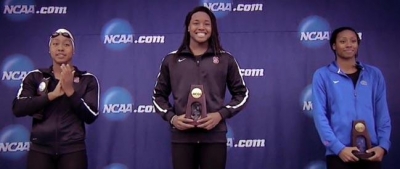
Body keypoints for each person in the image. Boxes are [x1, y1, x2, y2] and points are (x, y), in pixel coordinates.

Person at [152, 6, 249, 169]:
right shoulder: (171, 60)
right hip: (182, 138)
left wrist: (220, 115)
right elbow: (158, 96)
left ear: (213, 29)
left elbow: (242, 94)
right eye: (196, 23)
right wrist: (173, 118)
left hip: (214, 137)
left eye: (207, 24)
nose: (201, 27)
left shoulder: (225, 59)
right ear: (188, 27)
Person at [12, 28, 100, 169]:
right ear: (49, 49)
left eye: (66, 44)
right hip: (40, 149)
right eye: (55, 44)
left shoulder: (87, 80)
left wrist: (70, 91)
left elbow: (91, 116)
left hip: (73, 150)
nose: (60, 48)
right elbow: (18, 108)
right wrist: (51, 96)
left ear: (73, 50)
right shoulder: (35, 77)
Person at [312, 26, 391, 169]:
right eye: (343, 41)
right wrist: (338, 148)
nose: (349, 45)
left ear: (358, 45)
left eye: (353, 41)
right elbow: (319, 116)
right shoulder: (322, 75)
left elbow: (382, 114)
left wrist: (383, 145)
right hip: (339, 155)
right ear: (334, 46)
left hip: (372, 152)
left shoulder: (374, 74)